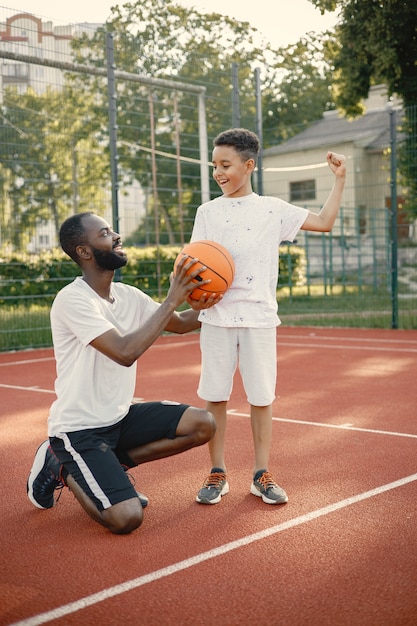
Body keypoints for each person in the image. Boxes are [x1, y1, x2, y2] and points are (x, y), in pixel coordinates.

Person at [27, 211, 220, 535]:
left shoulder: (128, 295)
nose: (117, 236)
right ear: (84, 251)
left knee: (203, 425)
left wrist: (224, 298)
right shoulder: (73, 300)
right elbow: (125, 352)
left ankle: (109, 467)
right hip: (79, 431)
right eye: (105, 233)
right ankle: (61, 467)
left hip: (118, 419)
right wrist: (172, 298)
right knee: (127, 518)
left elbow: (184, 324)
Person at [192, 128, 346, 505]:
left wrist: (340, 180)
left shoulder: (273, 209)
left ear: (249, 165)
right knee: (215, 397)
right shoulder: (207, 212)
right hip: (217, 318)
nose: (218, 172)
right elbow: (193, 262)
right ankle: (218, 472)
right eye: (215, 165)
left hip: (259, 318)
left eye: (226, 165)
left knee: (261, 398)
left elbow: (325, 222)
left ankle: (261, 473)